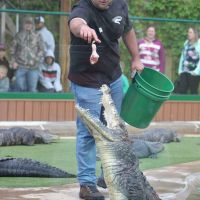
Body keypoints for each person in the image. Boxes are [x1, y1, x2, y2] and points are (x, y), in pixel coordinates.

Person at [68, 0, 143, 199]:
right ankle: (87, 184)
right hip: (86, 79)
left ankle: (108, 176)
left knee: (114, 130)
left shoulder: (120, 5)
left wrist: (136, 57)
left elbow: (127, 29)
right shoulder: (82, 7)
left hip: (114, 77)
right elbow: (75, 22)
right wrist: (83, 28)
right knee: (88, 132)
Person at [10, 16, 45, 92]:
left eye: (30, 23)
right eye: (26, 23)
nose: (28, 25)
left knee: (32, 89)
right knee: (19, 87)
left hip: (33, 67)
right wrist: (14, 61)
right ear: (23, 24)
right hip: (20, 66)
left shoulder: (38, 35)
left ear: (32, 25)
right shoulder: (18, 35)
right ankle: (19, 104)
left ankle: (31, 104)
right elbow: (12, 50)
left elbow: (42, 49)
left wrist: (36, 59)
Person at [174, 27, 200, 94]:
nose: (188, 34)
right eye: (188, 32)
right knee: (181, 90)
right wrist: (180, 70)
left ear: (195, 34)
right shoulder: (186, 43)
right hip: (184, 71)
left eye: (190, 32)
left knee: (193, 92)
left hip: (194, 73)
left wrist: (196, 71)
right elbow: (183, 57)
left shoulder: (199, 43)